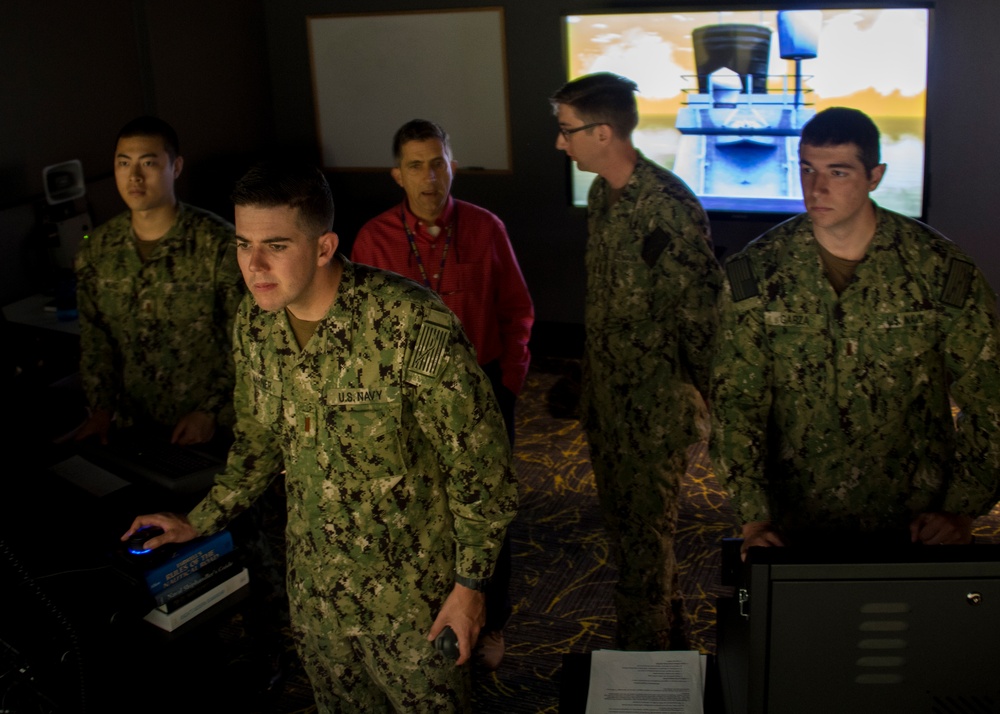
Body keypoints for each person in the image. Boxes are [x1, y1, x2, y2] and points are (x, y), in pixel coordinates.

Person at [123, 160, 518, 713]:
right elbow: (258, 444)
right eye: (243, 245)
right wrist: (201, 519)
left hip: (416, 604)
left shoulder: (409, 324)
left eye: (276, 246)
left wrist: (471, 588)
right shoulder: (255, 326)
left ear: (326, 245)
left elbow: (483, 475)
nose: (254, 265)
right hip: (318, 600)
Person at [710, 107, 1000, 557]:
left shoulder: (938, 270)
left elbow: (991, 399)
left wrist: (962, 509)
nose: (817, 188)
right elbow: (735, 405)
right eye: (807, 169)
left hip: (916, 523)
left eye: (838, 172)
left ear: (874, 176)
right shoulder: (756, 273)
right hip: (796, 524)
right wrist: (754, 515)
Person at [351, 118, 534, 668]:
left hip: (484, 391)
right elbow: (361, 332)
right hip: (406, 404)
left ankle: (491, 618)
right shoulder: (373, 238)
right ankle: (429, 609)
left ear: (452, 165)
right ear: (397, 175)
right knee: (424, 509)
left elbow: (518, 310)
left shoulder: (485, 227)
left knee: (489, 509)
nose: (429, 178)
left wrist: (510, 384)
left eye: (438, 163)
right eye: (415, 166)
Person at [549, 73, 722, 650]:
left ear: (603, 132)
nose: (559, 143)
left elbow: (701, 322)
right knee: (629, 540)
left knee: (646, 546)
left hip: (655, 413)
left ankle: (644, 664)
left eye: (566, 130)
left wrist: (719, 413)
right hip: (608, 405)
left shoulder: (669, 209)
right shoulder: (603, 196)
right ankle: (669, 645)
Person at [74, 116, 243, 446]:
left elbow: (247, 344)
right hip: (130, 430)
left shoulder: (219, 245)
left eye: (148, 163)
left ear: (176, 167)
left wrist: (210, 411)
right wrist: (99, 411)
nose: (134, 176)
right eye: (124, 163)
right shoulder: (97, 250)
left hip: (210, 432)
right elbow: (96, 343)